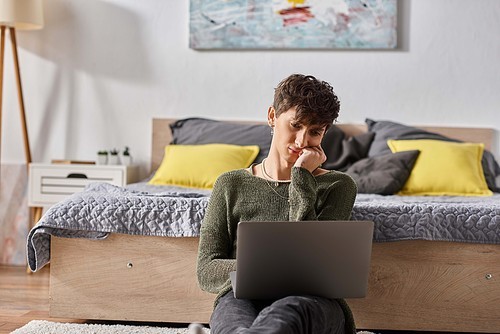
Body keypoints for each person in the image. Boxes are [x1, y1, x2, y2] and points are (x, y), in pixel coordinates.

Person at [196, 74, 358, 334]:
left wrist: (302, 177)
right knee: (232, 323)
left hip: (312, 301)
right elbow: (207, 269)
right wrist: (270, 269)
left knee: (286, 315)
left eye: (315, 132)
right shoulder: (230, 184)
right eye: (295, 125)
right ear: (272, 116)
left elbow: (317, 264)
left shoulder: (339, 186)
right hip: (241, 297)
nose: (303, 141)